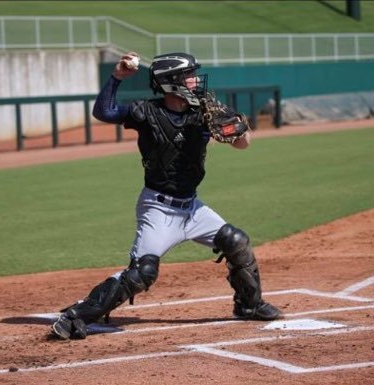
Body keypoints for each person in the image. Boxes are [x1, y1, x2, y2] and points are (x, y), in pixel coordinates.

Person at [52, 52, 281, 340]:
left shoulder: (204, 111)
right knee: (142, 273)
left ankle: (249, 305)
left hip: (192, 208)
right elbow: (104, 112)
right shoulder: (146, 112)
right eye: (190, 75)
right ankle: (76, 316)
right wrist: (117, 77)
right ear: (171, 82)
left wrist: (237, 128)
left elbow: (243, 144)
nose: (197, 80)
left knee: (237, 242)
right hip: (158, 208)